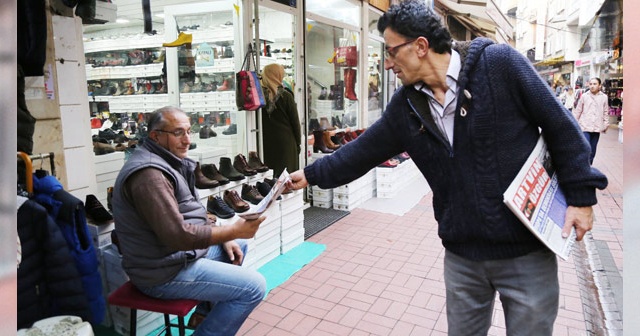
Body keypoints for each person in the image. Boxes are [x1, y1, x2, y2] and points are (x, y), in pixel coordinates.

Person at [285, 1, 608, 335]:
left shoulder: (499, 65)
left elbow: (561, 127)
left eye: (393, 52)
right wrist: (309, 175)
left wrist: (582, 197)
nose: (389, 63)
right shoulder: (406, 106)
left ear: (421, 46)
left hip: (525, 253)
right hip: (463, 258)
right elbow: (361, 152)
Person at [111, 106, 266, 335]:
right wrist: (232, 231)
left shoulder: (168, 162)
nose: (187, 140)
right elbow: (178, 236)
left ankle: (203, 314)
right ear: (156, 136)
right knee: (254, 287)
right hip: (160, 273)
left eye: (188, 132)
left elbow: (189, 211)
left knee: (237, 247)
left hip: (172, 258)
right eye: (178, 133)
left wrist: (222, 233)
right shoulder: (150, 175)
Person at [260, 63, 302, 177]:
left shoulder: (259, 97)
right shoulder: (286, 96)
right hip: (286, 143)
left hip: (265, 143)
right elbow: (295, 123)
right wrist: (298, 143)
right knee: (286, 179)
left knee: (269, 178)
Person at [573, 77, 610, 164]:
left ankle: (588, 166)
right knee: (587, 147)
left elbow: (605, 112)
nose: (592, 86)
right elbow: (578, 110)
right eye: (591, 84)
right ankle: (584, 166)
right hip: (585, 126)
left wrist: (606, 124)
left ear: (599, 86)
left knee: (593, 149)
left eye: (595, 84)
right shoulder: (584, 96)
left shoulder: (604, 97)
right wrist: (574, 123)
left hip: (597, 127)